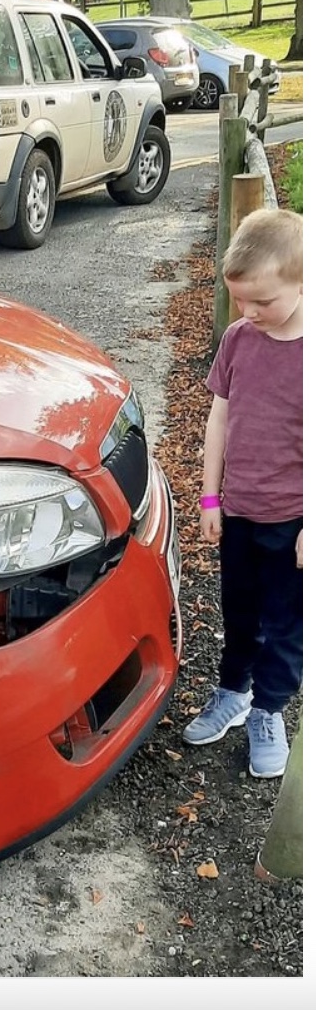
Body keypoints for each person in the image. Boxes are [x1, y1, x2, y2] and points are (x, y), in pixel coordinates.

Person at [182, 207, 303, 778]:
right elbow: (219, 419)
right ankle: (233, 693)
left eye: (264, 303)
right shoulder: (238, 339)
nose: (250, 315)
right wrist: (210, 498)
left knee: (285, 624)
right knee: (239, 613)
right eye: (240, 302)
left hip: (293, 521)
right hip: (238, 511)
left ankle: (269, 709)